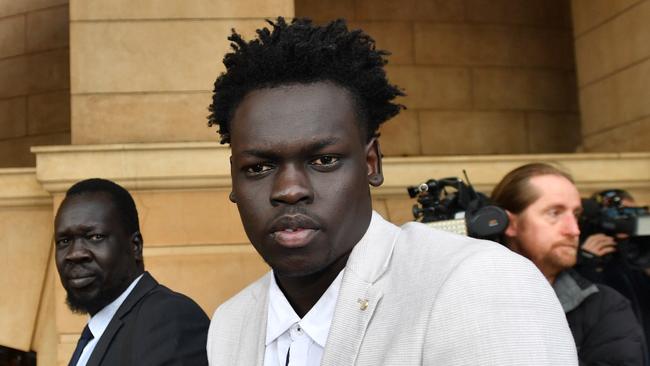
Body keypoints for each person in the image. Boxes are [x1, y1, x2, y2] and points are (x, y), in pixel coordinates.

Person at [206, 17, 577, 365]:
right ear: (234, 182)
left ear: (371, 164)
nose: (289, 190)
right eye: (258, 167)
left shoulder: (478, 283)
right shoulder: (229, 325)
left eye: (324, 161)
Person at [491, 163, 646, 366]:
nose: (574, 230)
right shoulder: (467, 300)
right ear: (509, 223)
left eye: (576, 215)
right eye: (554, 213)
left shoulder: (605, 306)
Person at [54, 178, 209, 366]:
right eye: (64, 241)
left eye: (95, 237)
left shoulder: (168, 317)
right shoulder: (94, 335)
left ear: (135, 246)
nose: (75, 254)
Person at [576, 189, 650, 362]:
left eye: (632, 215)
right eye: (620, 215)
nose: (626, 222)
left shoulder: (638, 251)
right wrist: (586, 262)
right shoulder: (580, 254)